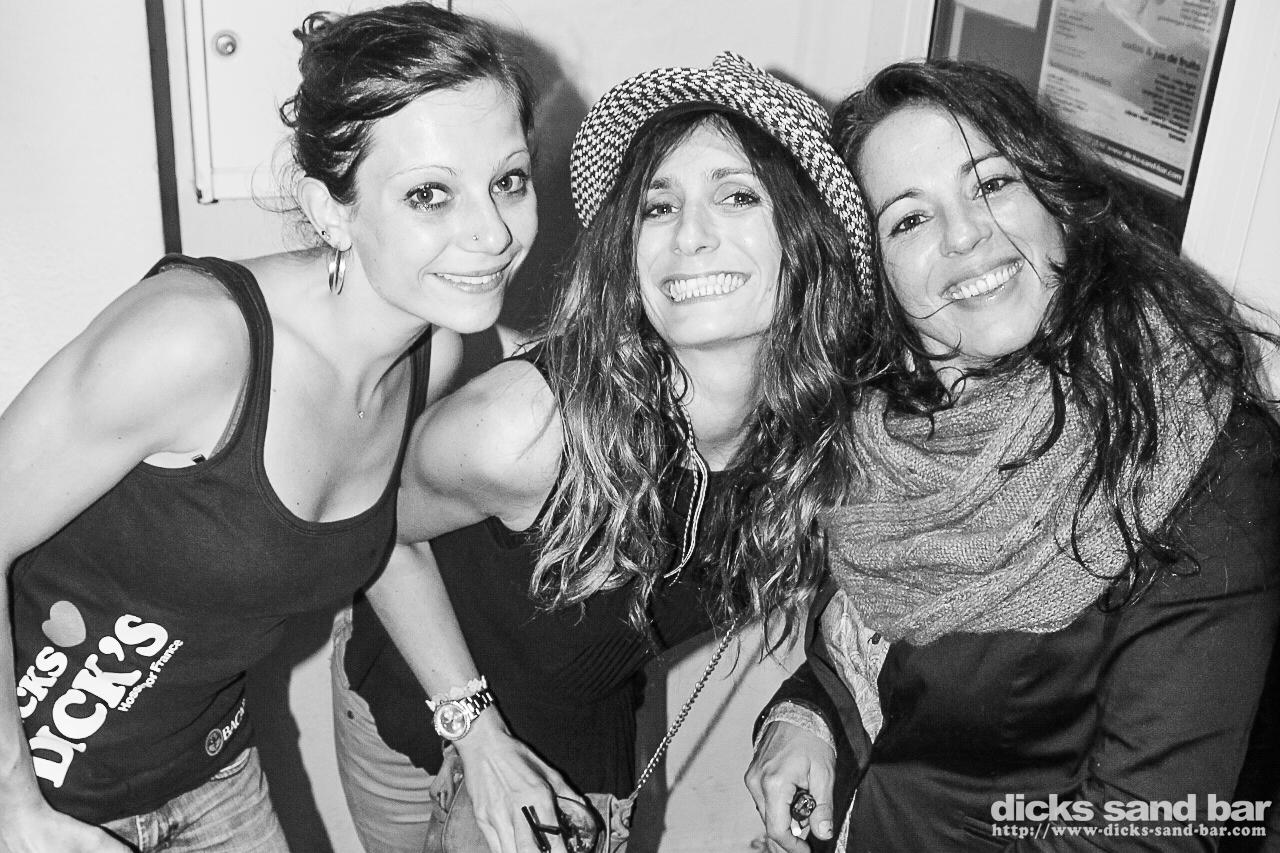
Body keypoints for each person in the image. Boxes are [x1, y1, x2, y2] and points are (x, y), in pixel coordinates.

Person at [0, 4, 536, 851]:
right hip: (35, 790)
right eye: (429, 194)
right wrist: (15, 809)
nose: (491, 231)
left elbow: (385, 542)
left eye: (508, 180)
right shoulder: (196, 340)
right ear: (330, 209)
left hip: (209, 775)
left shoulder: (429, 350)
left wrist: (478, 733)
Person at [332, 52, 877, 853]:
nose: (690, 235)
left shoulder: (827, 442)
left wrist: (808, 716)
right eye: (659, 206)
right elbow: (367, 525)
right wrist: (476, 735)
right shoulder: (526, 426)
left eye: (736, 194)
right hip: (411, 699)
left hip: (581, 730)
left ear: (808, 237)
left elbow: (873, 589)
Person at [745, 58, 1280, 852]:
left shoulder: (1200, 458)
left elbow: (1147, 830)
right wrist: (810, 717)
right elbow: (879, 644)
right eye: (908, 220)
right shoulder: (881, 428)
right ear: (875, 274)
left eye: (992, 183)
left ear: (1055, 201)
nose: (965, 234)